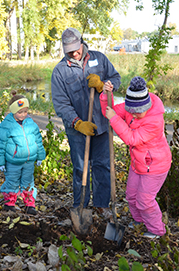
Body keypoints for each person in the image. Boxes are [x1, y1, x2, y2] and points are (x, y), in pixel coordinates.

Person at [51, 27, 121, 218]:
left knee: (103, 165)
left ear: (82, 42)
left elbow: (116, 79)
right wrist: (77, 123)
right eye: (69, 50)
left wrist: (103, 85)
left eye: (76, 48)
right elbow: (61, 103)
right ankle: (80, 206)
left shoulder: (99, 58)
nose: (74, 53)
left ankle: (101, 205)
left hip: (102, 124)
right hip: (77, 130)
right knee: (80, 168)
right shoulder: (60, 71)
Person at [100, 76, 172, 238]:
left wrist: (114, 119)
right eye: (133, 111)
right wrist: (106, 95)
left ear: (147, 105)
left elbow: (132, 139)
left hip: (155, 165)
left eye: (140, 111)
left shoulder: (154, 121)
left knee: (145, 200)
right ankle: (139, 221)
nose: (137, 115)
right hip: (138, 163)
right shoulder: (129, 108)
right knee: (131, 196)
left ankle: (156, 230)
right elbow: (108, 111)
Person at [0, 92, 46, 215]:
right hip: (13, 162)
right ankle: (10, 203)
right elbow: (0, 144)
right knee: (12, 181)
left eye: (25, 112)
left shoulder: (31, 123)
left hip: (29, 161)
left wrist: (40, 155)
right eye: (19, 112)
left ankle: (29, 204)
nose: (23, 115)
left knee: (28, 182)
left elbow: (38, 140)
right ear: (13, 111)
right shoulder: (7, 125)